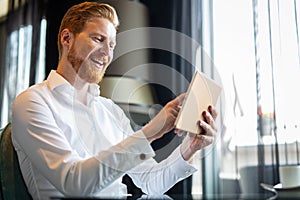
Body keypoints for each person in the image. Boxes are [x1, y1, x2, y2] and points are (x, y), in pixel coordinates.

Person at [11, 2, 218, 199]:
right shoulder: (32, 102)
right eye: (98, 39)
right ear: (67, 39)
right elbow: (74, 182)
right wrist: (149, 133)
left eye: (111, 45)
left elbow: (151, 181)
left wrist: (190, 147)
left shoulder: (109, 110)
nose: (107, 53)